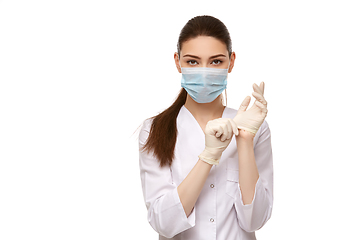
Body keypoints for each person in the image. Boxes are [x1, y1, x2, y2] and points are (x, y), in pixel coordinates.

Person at [138, 15, 273, 240]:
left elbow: (255, 220)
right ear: (177, 61)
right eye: (192, 61)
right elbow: (164, 224)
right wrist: (208, 156)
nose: (204, 71)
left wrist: (245, 141)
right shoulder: (154, 129)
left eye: (216, 61)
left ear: (231, 62)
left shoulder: (254, 127)